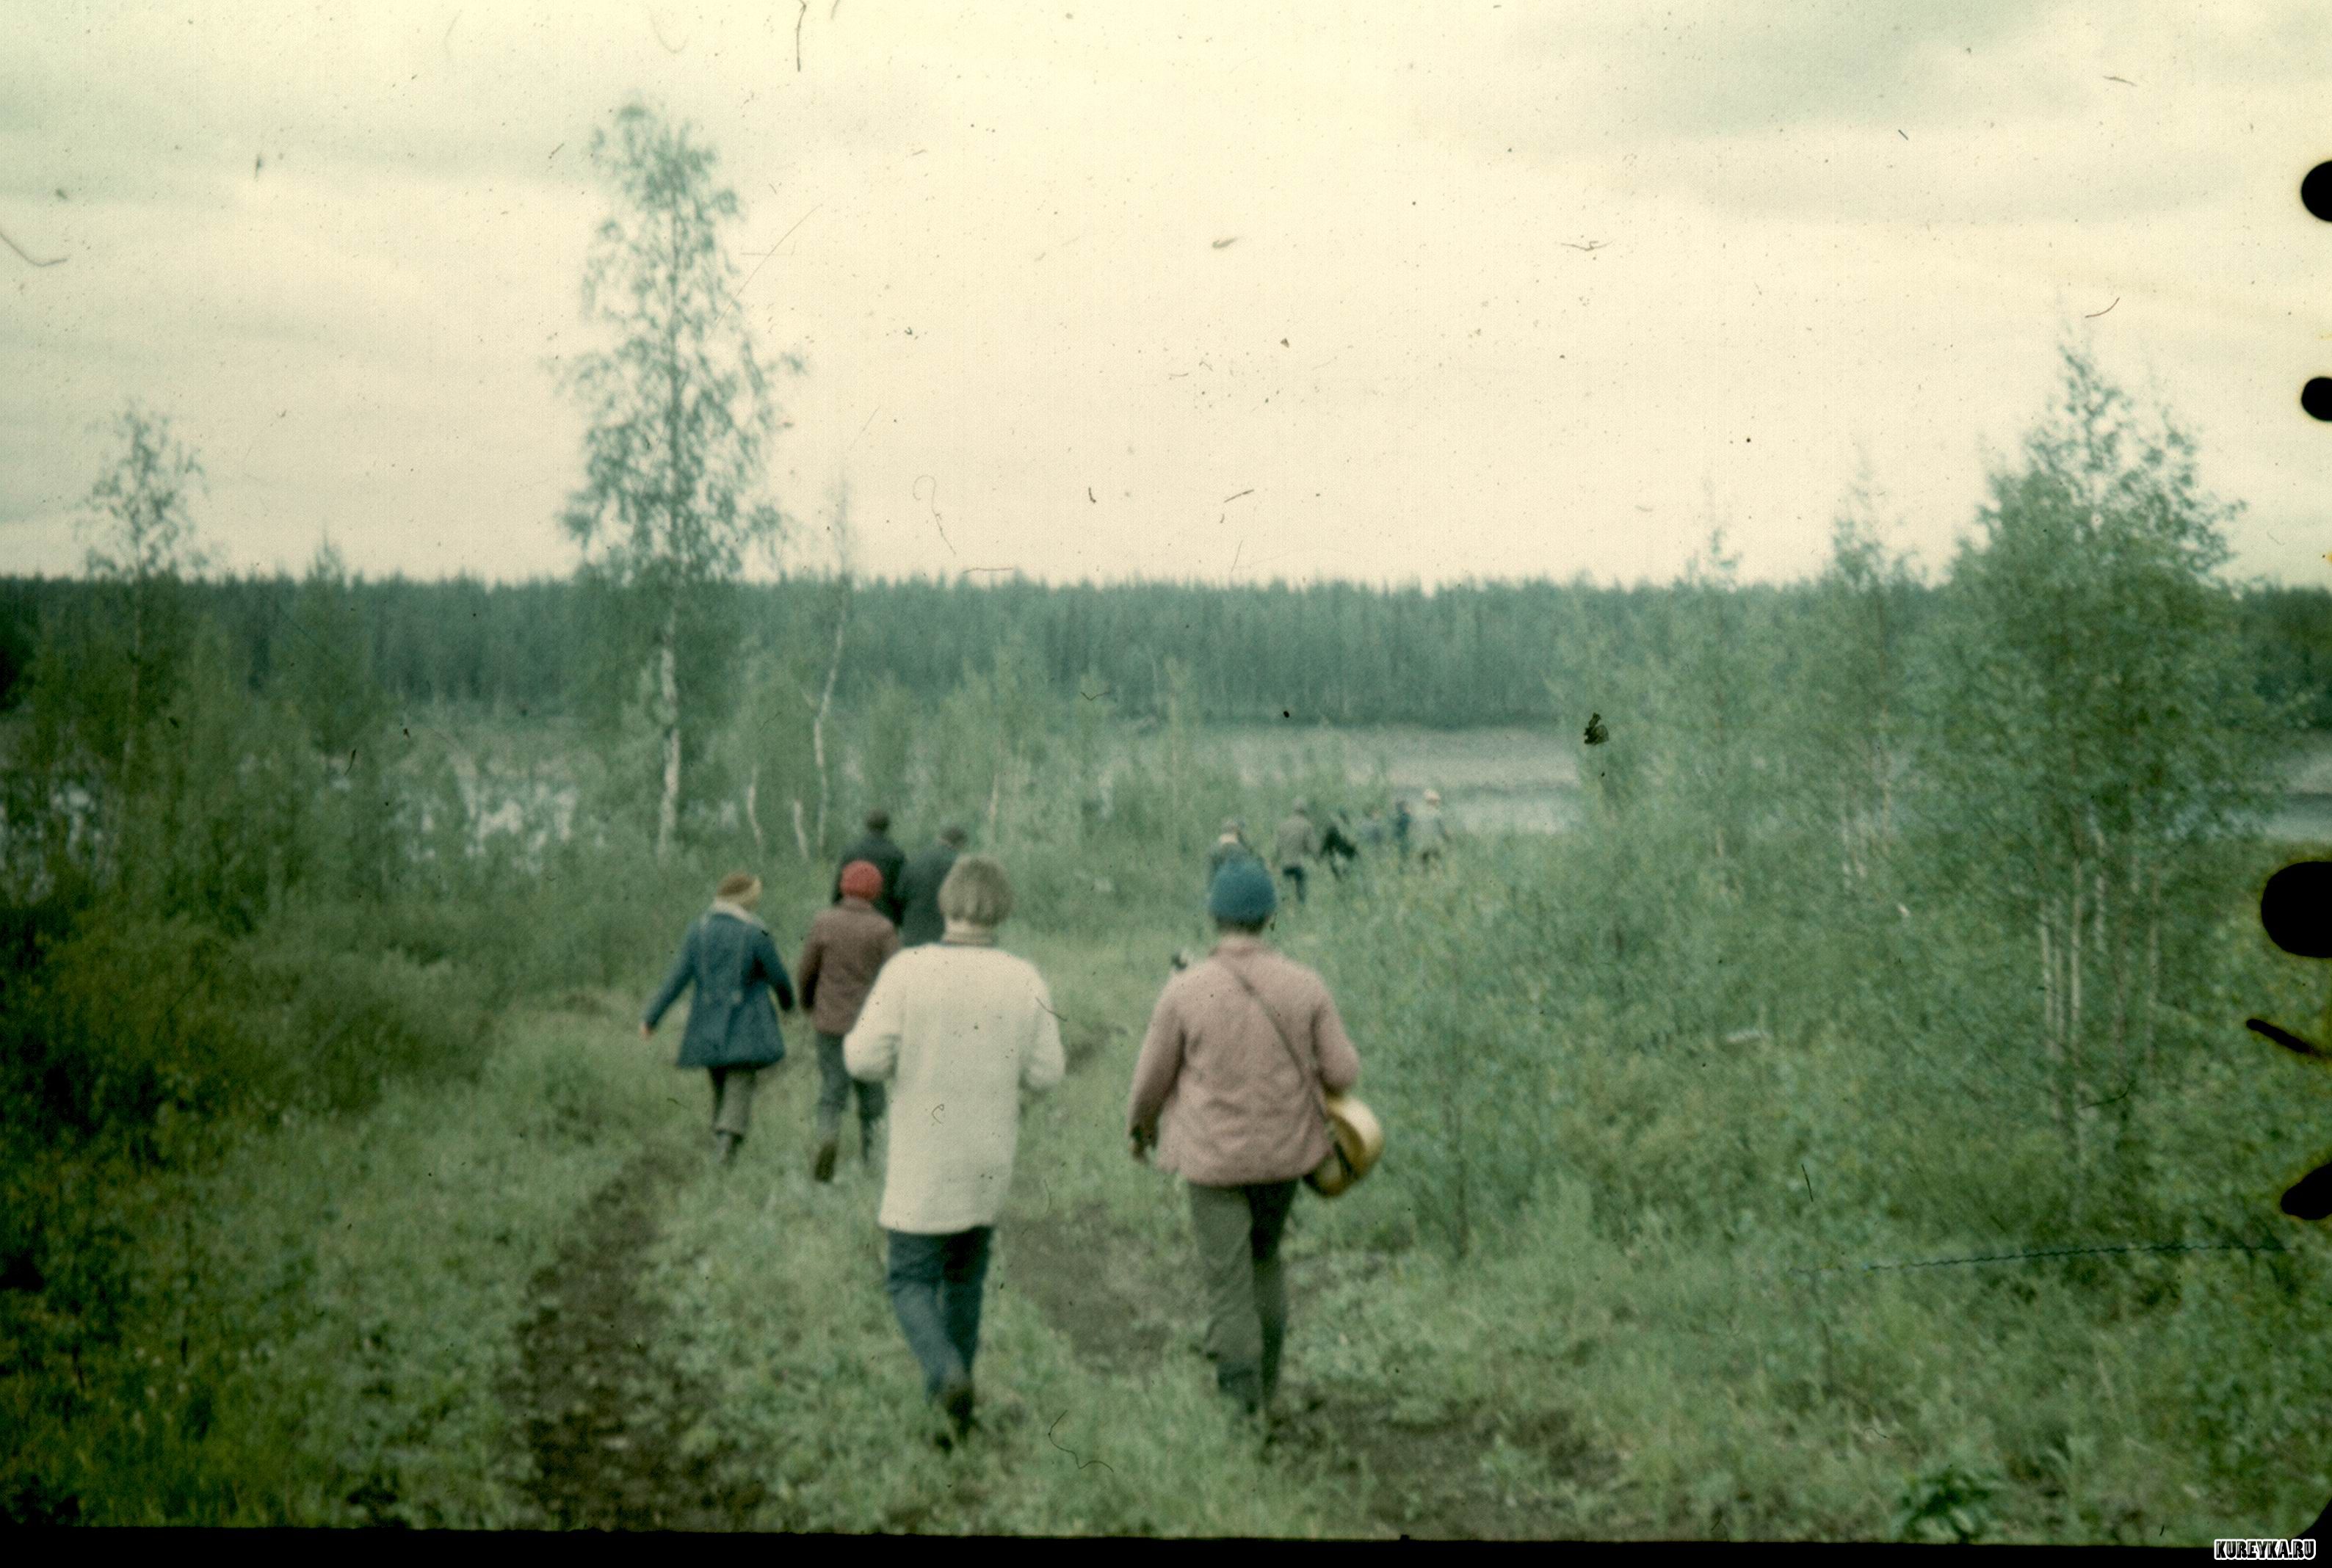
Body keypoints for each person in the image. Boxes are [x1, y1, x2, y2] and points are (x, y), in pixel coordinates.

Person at [1126, 859, 1362, 1418]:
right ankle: (1269, 1389)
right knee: (1265, 1260)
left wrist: (1140, 1130)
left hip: (1213, 1163)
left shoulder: (1186, 990)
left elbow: (1151, 1081)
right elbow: (1343, 1071)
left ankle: (1241, 1413)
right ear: (1270, 918)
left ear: (1214, 917)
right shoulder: (1306, 985)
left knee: (1228, 1283)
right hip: (1285, 1157)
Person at [845, 855, 1065, 1442]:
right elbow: (1047, 1072)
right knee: (965, 1281)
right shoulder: (1024, 977)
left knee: (909, 1279)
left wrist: (908, 1062)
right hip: (987, 1155)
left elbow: (862, 1058)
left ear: (945, 903)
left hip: (924, 1154)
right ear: (1002, 909)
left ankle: (944, 1374)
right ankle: (952, 1416)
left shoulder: (908, 970)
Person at [642, 871, 797, 1166]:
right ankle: (726, 1143)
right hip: (748, 1023)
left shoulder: (698, 930)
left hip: (707, 1024)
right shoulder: (756, 931)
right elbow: (778, 977)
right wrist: (789, 1006)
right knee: (740, 1082)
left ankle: (722, 1142)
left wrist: (651, 1018)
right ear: (745, 899)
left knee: (721, 1084)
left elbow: (676, 979)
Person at [797, 860, 899, 1182]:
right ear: (875, 891)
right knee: (872, 1094)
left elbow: (807, 971)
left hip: (830, 1022)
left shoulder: (824, 921)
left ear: (843, 887)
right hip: (871, 1025)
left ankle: (827, 1139)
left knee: (832, 1090)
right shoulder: (883, 929)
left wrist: (808, 1004)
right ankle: (873, 1159)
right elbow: (897, 977)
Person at [894, 824, 968, 948]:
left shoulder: (916, 859)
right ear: (960, 844)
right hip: (947, 935)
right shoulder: (961, 864)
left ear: (939, 839)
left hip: (914, 932)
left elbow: (899, 894)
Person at [831, 808, 908, 925]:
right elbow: (901, 892)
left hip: (852, 916)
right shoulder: (897, 855)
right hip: (884, 917)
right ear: (887, 827)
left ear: (867, 825)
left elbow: (838, 889)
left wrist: (837, 911)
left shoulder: (851, 852)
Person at [1273, 799, 1321, 906]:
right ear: (1304, 811)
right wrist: (1317, 859)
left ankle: (1284, 908)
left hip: (1286, 864)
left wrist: (1274, 861)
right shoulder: (1306, 825)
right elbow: (1313, 847)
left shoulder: (1284, 825)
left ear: (1294, 810)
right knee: (1301, 892)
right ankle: (1301, 909)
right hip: (1299, 864)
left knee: (1285, 890)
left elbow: (1278, 847)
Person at [1413, 788, 1449, 870]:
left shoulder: (1420, 814)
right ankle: (1439, 875)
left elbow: (1416, 829)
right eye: (1437, 801)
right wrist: (1448, 839)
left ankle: (1423, 876)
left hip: (1423, 843)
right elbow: (1443, 830)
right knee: (1438, 864)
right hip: (1434, 843)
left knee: (1423, 864)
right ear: (1433, 802)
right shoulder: (1437, 814)